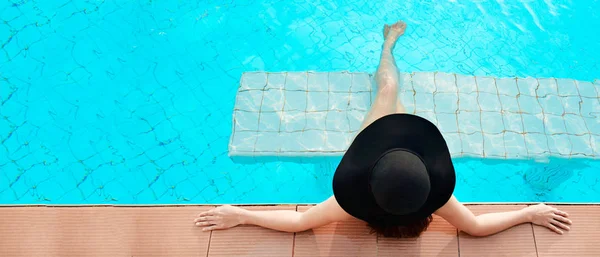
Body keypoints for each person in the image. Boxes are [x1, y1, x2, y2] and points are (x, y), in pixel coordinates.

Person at [194, 21, 572, 238]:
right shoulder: (432, 200)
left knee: (388, 90)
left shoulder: (349, 204)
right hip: (392, 153)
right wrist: (528, 212)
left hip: (379, 145)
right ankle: (389, 43)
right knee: (396, 94)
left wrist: (241, 214)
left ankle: (388, 43)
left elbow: (297, 223)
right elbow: (474, 227)